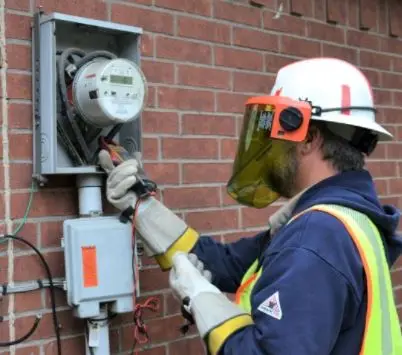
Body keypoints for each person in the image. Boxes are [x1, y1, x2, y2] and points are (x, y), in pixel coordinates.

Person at [98, 57, 402, 355]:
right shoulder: (347, 217)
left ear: (307, 137)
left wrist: (202, 299)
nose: (269, 150)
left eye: (275, 138)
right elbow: (227, 264)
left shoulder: (318, 236)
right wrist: (140, 205)